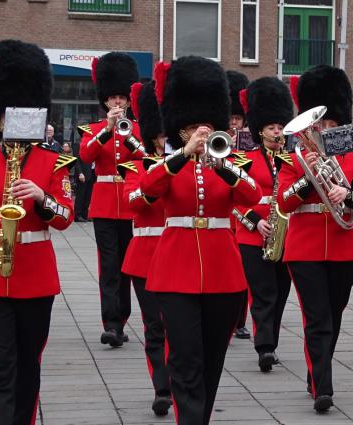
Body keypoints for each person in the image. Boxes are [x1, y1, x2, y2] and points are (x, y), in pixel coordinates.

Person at [141, 56, 261, 425]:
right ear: (179, 128)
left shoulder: (229, 162)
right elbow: (147, 189)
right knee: (185, 357)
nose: (201, 133)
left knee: (212, 358)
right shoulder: (166, 162)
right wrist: (182, 155)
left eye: (206, 126)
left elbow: (252, 195)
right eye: (193, 127)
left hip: (222, 271)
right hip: (176, 271)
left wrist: (222, 165)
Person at [0, 39, 76, 425]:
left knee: (28, 364)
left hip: (36, 275)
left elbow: (66, 216)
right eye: (7, 116)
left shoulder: (55, 163)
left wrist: (41, 197)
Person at [277, 65, 353, 412]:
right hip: (305, 245)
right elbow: (284, 202)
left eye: (331, 125)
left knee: (334, 315)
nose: (324, 131)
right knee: (317, 318)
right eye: (320, 125)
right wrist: (307, 175)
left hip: (344, 244)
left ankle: (317, 369)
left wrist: (344, 192)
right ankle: (323, 386)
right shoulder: (293, 158)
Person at [78, 52, 144, 348]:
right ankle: (112, 323)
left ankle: (124, 316)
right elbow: (86, 155)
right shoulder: (93, 130)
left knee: (127, 265)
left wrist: (126, 133)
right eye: (113, 98)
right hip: (104, 204)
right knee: (108, 264)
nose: (117, 103)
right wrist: (106, 130)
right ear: (105, 101)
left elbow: (144, 157)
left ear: (129, 101)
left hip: (130, 205)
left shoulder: (138, 129)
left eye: (122, 98)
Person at [116, 80, 172, 416]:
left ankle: (181, 381)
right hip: (146, 253)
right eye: (165, 136)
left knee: (179, 328)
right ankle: (161, 387)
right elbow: (135, 201)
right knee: (154, 326)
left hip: (179, 252)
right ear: (153, 136)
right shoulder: (135, 166)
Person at [234, 77, 295, 372]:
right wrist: (255, 222)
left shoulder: (291, 159)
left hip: (284, 234)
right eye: (272, 127)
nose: (277, 131)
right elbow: (233, 201)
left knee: (281, 293)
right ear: (260, 129)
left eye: (280, 126)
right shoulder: (243, 159)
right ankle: (264, 346)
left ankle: (272, 340)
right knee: (263, 293)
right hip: (252, 234)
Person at [226, 70, 253, 340]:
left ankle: (240, 320)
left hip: (242, 214)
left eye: (238, 118)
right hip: (224, 215)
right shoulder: (218, 142)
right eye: (231, 118)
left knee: (243, 268)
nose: (234, 123)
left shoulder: (249, 141)